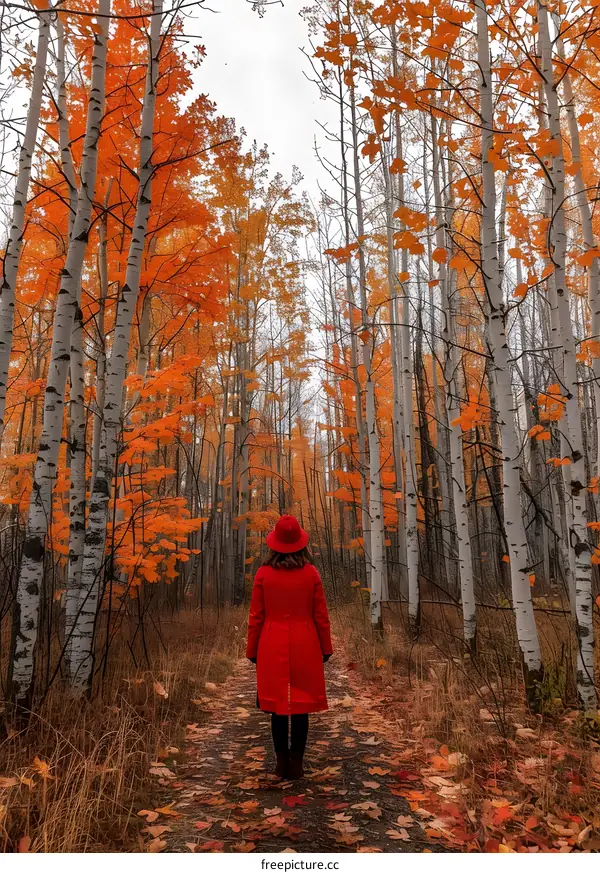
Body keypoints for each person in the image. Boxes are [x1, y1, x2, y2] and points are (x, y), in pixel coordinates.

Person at [246, 514, 333, 780]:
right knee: (301, 705)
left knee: (278, 707)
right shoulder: (311, 573)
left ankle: (281, 763)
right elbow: (321, 614)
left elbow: (256, 616)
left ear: (274, 544)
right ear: (300, 543)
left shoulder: (263, 573)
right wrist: (325, 647)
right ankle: (297, 763)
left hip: (270, 642)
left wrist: (252, 650)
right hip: (305, 643)